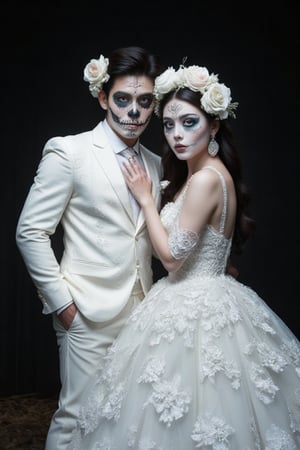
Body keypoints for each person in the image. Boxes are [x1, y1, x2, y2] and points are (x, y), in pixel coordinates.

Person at [68, 63, 300, 449]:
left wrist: (145, 200)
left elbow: (173, 259)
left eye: (189, 123)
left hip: (192, 302)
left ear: (213, 127)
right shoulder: (207, 174)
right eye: (170, 125)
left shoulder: (207, 178)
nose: (177, 134)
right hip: (209, 295)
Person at [15, 46, 163, 450]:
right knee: (77, 417)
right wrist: (64, 305)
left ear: (154, 106)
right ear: (102, 98)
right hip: (86, 312)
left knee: (129, 416)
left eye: (144, 101)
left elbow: (147, 235)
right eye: (123, 99)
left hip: (142, 312)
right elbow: (30, 231)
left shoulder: (155, 162)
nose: (134, 111)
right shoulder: (70, 152)